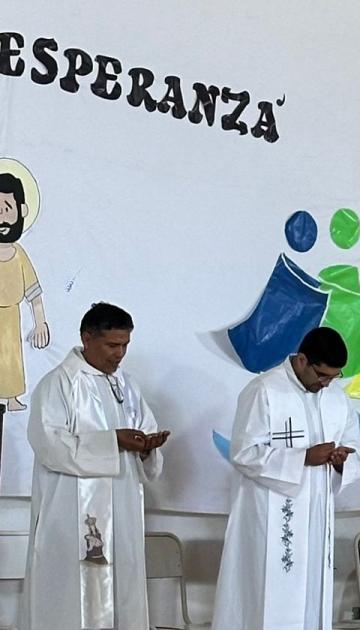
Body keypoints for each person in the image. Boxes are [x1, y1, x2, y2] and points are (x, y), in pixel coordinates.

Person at [19, 302, 169, 630]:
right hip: (71, 513)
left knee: (123, 587)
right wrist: (113, 441)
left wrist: (146, 449)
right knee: (72, 593)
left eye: (125, 345)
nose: (119, 354)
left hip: (124, 510)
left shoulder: (127, 386)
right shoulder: (59, 383)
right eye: (112, 345)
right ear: (87, 339)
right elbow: (50, 445)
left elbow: (142, 430)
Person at [212, 327, 360, 630]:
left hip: (317, 517)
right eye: (322, 375)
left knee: (311, 598)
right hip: (270, 516)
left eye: (334, 378)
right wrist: (303, 458)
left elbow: (357, 450)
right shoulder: (264, 390)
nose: (326, 384)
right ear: (303, 360)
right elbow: (243, 452)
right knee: (268, 598)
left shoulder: (337, 398)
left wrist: (342, 462)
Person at [0, 170, 50, 412]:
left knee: (11, 356)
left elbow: (34, 293)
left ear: (21, 211)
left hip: (10, 317)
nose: (1, 217)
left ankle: (10, 398)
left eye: (7, 208)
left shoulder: (19, 255)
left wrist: (40, 323)